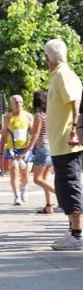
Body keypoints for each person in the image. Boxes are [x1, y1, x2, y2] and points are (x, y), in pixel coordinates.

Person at [45, 39, 83, 250]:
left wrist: (74, 130)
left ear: (47, 58)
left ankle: (77, 235)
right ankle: (72, 231)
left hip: (68, 143)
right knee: (63, 186)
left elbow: (75, 102)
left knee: (69, 185)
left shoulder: (63, 75)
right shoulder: (59, 75)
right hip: (61, 144)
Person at [19, 90, 55, 213]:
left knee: (37, 179)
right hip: (51, 148)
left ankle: (63, 196)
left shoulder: (39, 115)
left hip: (43, 148)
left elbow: (35, 135)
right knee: (45, 178)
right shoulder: (50, 114)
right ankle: (49, 206)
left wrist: (26, 150)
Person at [0, 95, 33, 206]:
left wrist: (31, 147)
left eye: (20, 102)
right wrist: (1, 151)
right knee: (14, 171)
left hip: (25, 148)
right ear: (12, 104)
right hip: (12, 149)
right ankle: (16, 196)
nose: (19, 104)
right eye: (16, 102)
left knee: (25, 174)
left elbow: (33, 134)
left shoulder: (28, 116)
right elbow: (3, 136)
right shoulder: (7, 118)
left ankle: (24, 188)